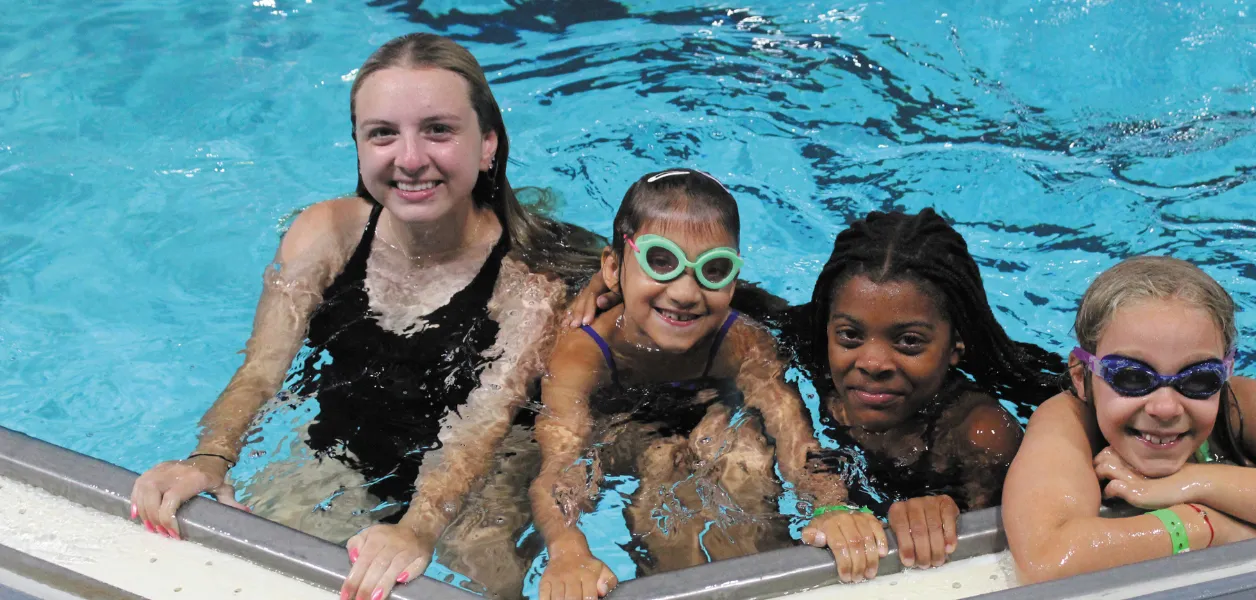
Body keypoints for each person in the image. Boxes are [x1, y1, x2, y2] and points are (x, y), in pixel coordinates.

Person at [128, 33, 599, 600]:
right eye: (383, 134)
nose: (410, 159)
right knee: (250, 576)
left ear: (487, 146)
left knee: (479, 578)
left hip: (487, 472)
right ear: (358, 145)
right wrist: (210, 458)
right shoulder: (326, 233)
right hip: (341, 447)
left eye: (439, 130)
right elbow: (259, 372)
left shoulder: (530, 283)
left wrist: (419, 527)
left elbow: (483, 424)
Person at [530, 169, 888, 600]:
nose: (685, 292)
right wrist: (567, 547)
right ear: (612, 267)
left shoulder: (742, 342)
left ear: (733, 281)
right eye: (660, 261)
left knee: (745, 456)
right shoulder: (582, 352)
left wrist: (830, 504)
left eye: (713, 269)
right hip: (623, 429)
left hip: (712, 416)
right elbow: (560, 464)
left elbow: (795, 436)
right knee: (661, 474)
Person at [1002, 256, 1256, 583]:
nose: (1165, 407)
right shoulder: (1069, 419)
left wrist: (1195, 481)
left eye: (1198, 379)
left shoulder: (1242, 405)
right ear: (1081, 376)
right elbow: (1049, 561)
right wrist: (1206, 525)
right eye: (1131, 377)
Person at [798, 209, 1063, 570]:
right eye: (849, 335)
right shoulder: (805, 373)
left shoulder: (977, 435)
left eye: (909, 341)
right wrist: (829, 506)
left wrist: (943, 508)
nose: (872, 363)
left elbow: (996, 552)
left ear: (956, 345)